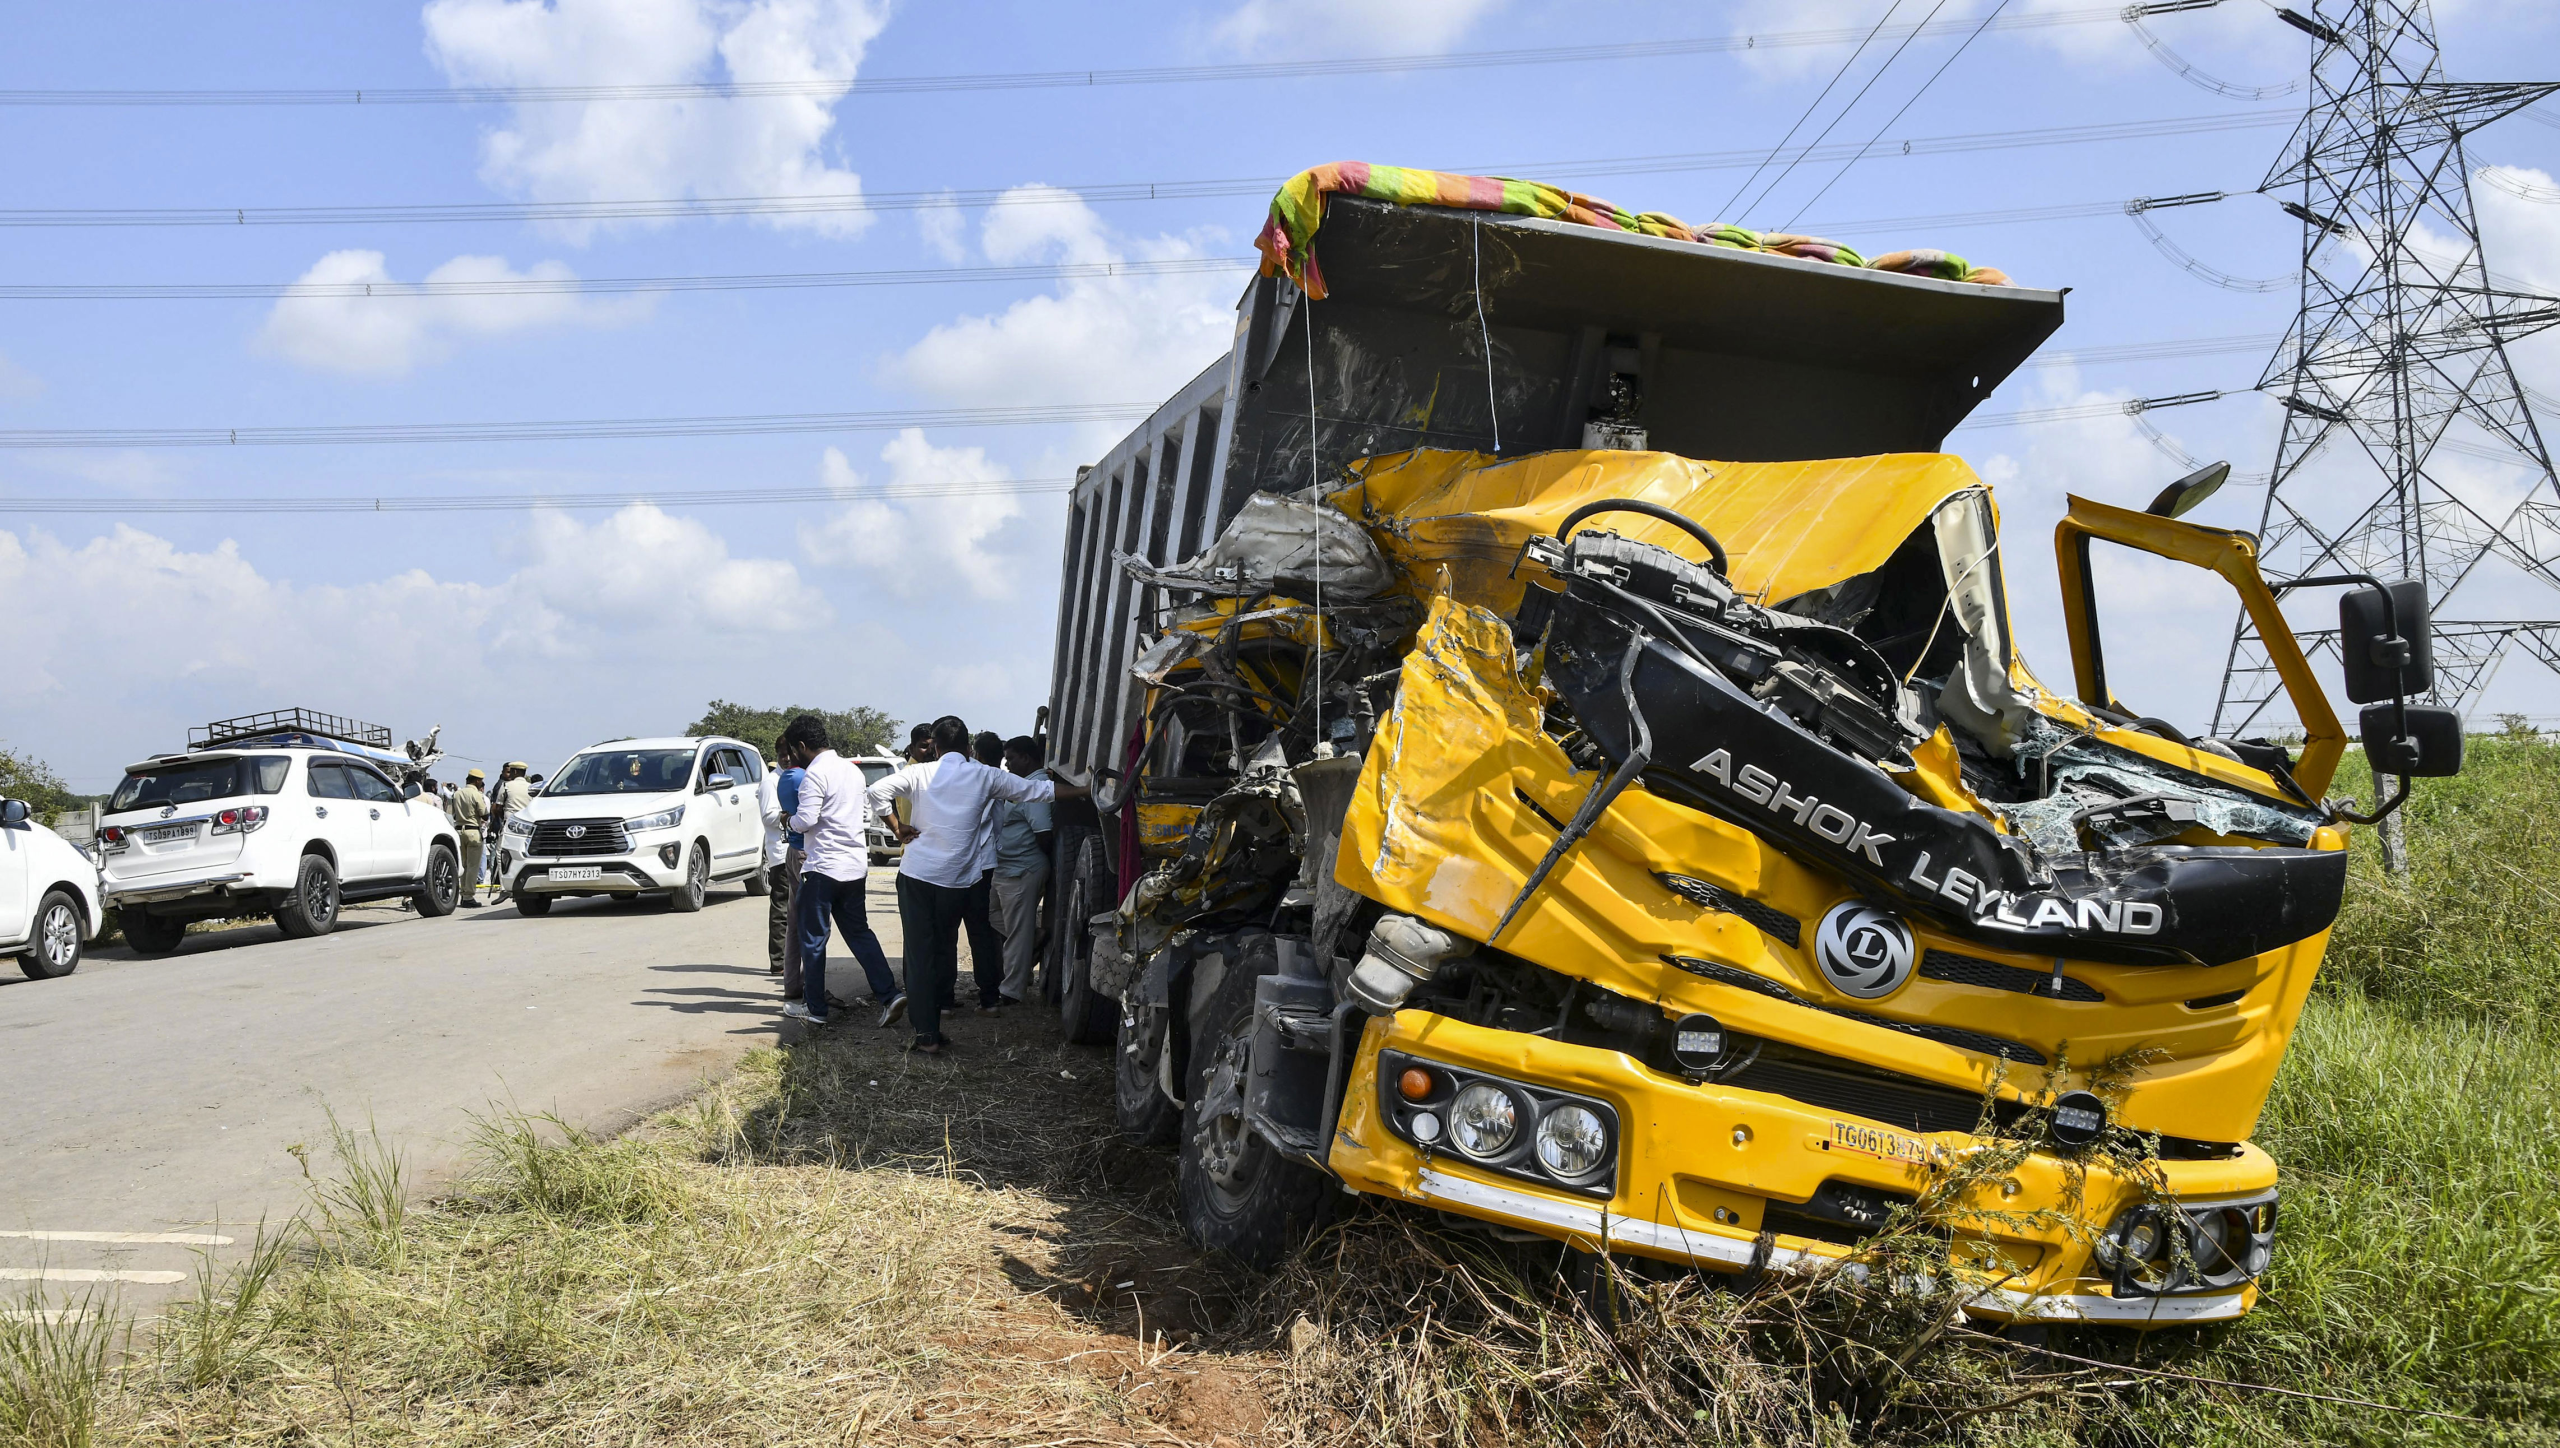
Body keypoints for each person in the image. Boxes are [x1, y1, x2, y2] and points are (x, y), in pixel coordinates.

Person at [869, 716, 1084, 1055]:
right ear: (968, 747)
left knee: (921, 953)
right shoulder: (985, 775)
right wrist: (1087, 789)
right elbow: (1039, 791)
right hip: (958, 880)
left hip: (917, 876)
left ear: (936, 747)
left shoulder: (920, 773)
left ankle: (927, 1034)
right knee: (946, 945)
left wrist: (897, 826)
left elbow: (876, 791)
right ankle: (940, 1024)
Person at [781, 715, 900, 1029]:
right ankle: (890, 995)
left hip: (823, 868)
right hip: (854, 867)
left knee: (813, 941)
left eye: (792, 750)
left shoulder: (814, 774)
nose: (792, 757)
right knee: (860, 934)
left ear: (801, 746)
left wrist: (788, 820)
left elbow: (806, 820)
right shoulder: (852, 770)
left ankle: (816, 1009)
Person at [991, 736, 1055, 1008]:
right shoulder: (1023, 785)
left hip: (1022, 868)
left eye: (1011, 758)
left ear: (1027, 758)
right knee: (990, 914)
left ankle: (1012, 991)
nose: (1007, 764)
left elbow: (1043, 833)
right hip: (1005, 868)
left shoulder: (1036, 789)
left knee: (1017, 933)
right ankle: (1034, 937)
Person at [958, 731, 1009, 1013]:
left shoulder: (963, 775)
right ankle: (989, 998)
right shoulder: (996, 779)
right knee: (980, 931)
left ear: (975, 752)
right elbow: (998, 822)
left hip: (954, 862)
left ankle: (943, 1000)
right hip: (983, 863)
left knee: (946, 930)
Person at [758, 754, 803, 982]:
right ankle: (778, 962)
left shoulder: (799, 776)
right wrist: (788, 817)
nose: (787, 758)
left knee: (797, 911)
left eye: (790, 754)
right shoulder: (770, 782)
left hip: (797, 850)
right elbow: (768, 817)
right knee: (782, 909)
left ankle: (792, 964)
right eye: (782, 754)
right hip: (780, 853)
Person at [492, 763, 535, 900]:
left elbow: (497, 808)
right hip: (528, 827)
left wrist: (503, 819)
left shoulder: (506, 786)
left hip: (510, 827)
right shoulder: (531, 787)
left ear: (515, 772)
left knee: (501, 855)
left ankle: (505, 888)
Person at [450, 769, 490, 908]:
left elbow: (454, 814)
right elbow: (484, 815)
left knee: (464, 865)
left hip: (459, 831)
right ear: (477, 781)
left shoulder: (457, 794)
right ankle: (469, 896)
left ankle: (463, 894)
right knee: (473, 866)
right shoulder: (476, 794)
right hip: (473, 831)